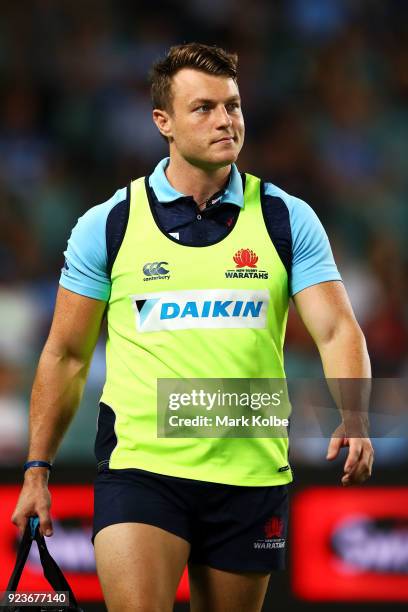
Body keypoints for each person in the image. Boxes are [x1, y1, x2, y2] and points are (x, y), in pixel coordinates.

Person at [12, 43, 374, 612]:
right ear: (164, 122)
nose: (225, 120)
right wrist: (37, 468)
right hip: (142, 470)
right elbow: (65, 355)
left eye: (232, 106)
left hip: (250, 473)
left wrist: (353, 414)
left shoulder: (285, 217)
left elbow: (336, 330)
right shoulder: (109, 223)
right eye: (203, 107)